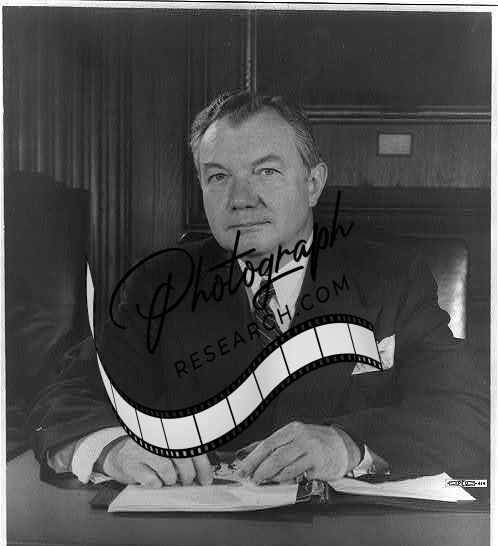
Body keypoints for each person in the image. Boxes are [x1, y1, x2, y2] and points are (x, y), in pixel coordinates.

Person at [31, 90, 489, 488]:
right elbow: (64, 399)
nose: (241, 199)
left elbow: (471, 412)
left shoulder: (390, 279)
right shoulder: (158, 287)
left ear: (313, 184)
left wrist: (349, 445)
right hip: (201, 545)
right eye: (218, 176)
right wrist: (112, 450)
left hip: (345, 544)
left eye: (266, 172)